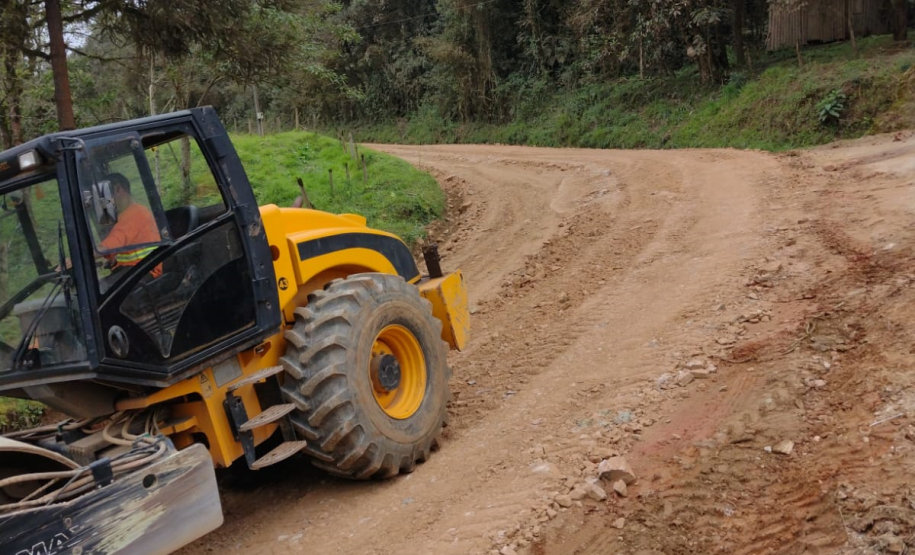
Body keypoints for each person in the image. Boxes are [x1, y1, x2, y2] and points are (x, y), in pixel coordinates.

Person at [97, 173, 162, 279]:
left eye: (106, 196)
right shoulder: (125, 215)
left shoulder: (134, 213)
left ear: (118, 189)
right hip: (134, 270)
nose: (105, 202)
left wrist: (77, 259)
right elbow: (119, 246)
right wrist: (113, 259)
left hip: (145, 272)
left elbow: (108, 246)